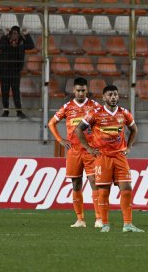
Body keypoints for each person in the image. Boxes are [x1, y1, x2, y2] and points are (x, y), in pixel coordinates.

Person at [76, 85, 144, 233]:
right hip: (103, 157)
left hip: (120, 156)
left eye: (115, 95)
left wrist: (129, 146)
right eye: (110, 95)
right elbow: (78, 129)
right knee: (104, 192)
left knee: (126, 188)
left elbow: (134, 129)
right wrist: (88, 148)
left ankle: (127, 224)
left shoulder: (124, 113)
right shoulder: (95, 113)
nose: (113, 97)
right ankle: (105, 224)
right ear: (104, 97)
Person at [48, 77, 102, 228]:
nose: (80, 93)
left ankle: (99, 219)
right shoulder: (67, 107)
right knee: (76, 184)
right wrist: (60, 139)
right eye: (78, 90)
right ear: (73, 90)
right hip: (73, 152)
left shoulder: (95, 106)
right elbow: (51, 123)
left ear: (87, 90)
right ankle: (80, 220)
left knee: (94, 183)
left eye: (83, 90)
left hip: (90, 151)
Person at [0, 25, 34, 118]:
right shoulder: (6, 41)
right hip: (4, 71)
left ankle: (19, 111)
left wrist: (27, 34)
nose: (14, 35)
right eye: (12, 33)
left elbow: (31, 46)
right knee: (4, 91)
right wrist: (5, 36)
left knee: (15, 92)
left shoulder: (22, 42)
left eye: (16, 33)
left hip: (15, 72)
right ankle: (6, 111)